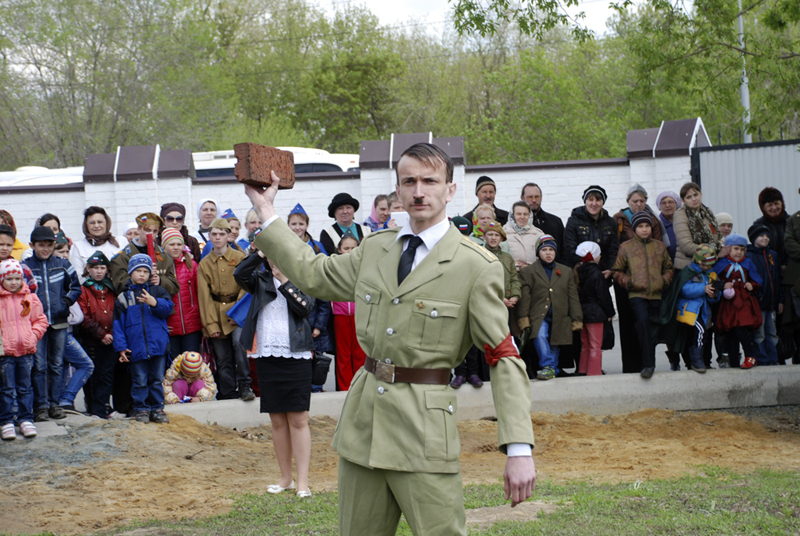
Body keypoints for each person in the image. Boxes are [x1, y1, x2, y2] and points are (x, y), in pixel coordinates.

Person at [246, 142, 536, 535]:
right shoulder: (376, 248)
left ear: (450, 190)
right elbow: (315, 274)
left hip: (424, 435)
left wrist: (518, 448)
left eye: (430, 181)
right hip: (363, 429)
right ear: (397, 190)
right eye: (409, 181)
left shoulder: (475, 266)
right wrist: (265, 210)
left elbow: (503, 356)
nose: (419, 191)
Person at [234, 245, 316, 498]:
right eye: (271, 256)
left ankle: (303, 482)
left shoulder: (303, 278)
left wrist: (284, 280)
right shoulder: (260, 279)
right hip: (266, 354)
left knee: (298, 419)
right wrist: (260, 253)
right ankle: (286, 478)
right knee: (278, 420)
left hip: (297, 356)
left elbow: (305, 307)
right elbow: (239, 273)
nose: (275, 261)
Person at [23, 226, 81, 422]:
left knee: (57, 364)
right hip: (35, 325)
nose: (45, 249)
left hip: (59, 322)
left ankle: (54, 404)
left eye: (49, 245)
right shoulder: (25, 267)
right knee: (39, 366)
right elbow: (21, 294)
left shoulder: (63, 264)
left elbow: (75, 287)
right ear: (32, 245)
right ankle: (40, 406)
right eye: (41, 245)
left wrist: (65, 302)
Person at [611, 211, 674, 378]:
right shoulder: (626, 247)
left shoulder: (659, 246)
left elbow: (669, 268)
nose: (644, 229)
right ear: (634, 228)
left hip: (656, 294)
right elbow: (617, 271)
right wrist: (630, 283)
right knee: (643, 323)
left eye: (647, 226)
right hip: (637, 295)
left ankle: (663, 361)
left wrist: (663, 281)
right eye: (640, 226)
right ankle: (648, 365)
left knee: (653, 330)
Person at [197, 217, 253, 401]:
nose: (218, 237)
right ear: (209, 236)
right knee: (222, 357)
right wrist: (210, 324)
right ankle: (228, 391)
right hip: (216, 313)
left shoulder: (239, 257)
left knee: (239, 345)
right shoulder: (205, 263)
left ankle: (244, 385)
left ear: (229, 236)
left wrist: (238, 314)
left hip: (237, 311)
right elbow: (204, 296)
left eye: (222, 234)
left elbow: (246, 287)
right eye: (214, 234)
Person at [113, 254, 174, 423]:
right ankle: (141, 409)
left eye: (145, 271)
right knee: (139, 380)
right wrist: (121, 347)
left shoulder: (157, 291)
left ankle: (157, 409)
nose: (142, 274)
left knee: (157, 379)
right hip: (136, 346)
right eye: (138, 271)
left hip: (158, 345)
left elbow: (168, 309)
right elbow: (118, 325)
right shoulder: (124, 297)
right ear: (130, 272)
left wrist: (154, 302)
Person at [518, 235, 582, 380]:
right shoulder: (528, 272)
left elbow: (572, 297)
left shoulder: (565, 271)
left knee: (555, 343)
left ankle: (551, 369)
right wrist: (523, 318)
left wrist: (576, 318)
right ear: (538, 252)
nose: (548, 253)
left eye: (551, 250)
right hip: (539, 315)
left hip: (560, 315)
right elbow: (525, 298)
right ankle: (548, 365)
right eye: (544, 250)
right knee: (540, 336)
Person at [0, 259, 48, 440]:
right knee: (6, 388)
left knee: (25, 387)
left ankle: (26, 419)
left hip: (26, 351)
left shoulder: (30, 298)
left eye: (17, 278)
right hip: (5, 353)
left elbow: (40, 320)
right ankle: (6, 421)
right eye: (9, 279)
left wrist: (33, 336)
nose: (13, 282)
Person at [287, 204, 333, 391]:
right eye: (293, 224)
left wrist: (319, 325)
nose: (297, 227)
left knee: (314, 357)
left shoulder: (316, 246)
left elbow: (324, 284)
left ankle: (316, 388)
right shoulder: (284, 245)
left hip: (312, 303)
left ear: (307, 225)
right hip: (292, 301)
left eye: (301, 224)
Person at [654, 245, 721, 372]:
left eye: (710, 265)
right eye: (705, 264)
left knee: (701, 335)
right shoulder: (687, 272)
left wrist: (713, 296)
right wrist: (703, 288)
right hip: (688, 312)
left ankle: (698, 360)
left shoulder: (711, 274)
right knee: (700, 332)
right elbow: (684, 290)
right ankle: (696, 360)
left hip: (703, 312)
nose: (707, 267)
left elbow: (716, 295)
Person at [712, 233, 766, 369]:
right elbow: (712, 278)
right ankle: (734, 362)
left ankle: (750, 356)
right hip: (728, 303)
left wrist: (752, 285)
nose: (739, 252)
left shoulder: (748, 263)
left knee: (740, 326)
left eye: (742, 249)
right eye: (736, 249)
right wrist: (722, 285)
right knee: (731, 331)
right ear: (728, 249)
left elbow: (757, 279)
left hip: (744, 301)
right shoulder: (721, 263)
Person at [77, 251, 118, 419]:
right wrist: (101, 334)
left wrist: (112, 333)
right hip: (92, 340)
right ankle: (95, 408)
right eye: (95, 268)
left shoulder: (111, 289)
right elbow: (84, 317)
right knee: (94, 374)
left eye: (102, 268)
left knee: (107, 374)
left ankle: (104, 406)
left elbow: (118, 313)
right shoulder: (83, 290)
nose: (99, 271)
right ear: (88, 269)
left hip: (112, 339)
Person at [330, 233, 367, 391]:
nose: (350, 252)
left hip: (360, 314)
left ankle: (359, 387)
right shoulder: (334, 266)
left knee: (360, 353)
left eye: (353, 248)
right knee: (343, 354)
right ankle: (345, 388)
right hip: (340, 315)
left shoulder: (365, 266)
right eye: (346, 248)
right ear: (339, 250)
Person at [109, 213, 179, 296]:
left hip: (159, 302)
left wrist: (160, 281)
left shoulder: (165, 256)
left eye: (155, 231)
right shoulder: (122, 257)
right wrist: (143, 277)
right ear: (139, 229)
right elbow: (119, 285)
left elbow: (174, 287)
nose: (151, 234)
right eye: (147, 230)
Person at [161, 228, 203, 365]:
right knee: (174, 366)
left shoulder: (192, 265)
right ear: (164, 246)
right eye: (171, 244)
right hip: (170, 326)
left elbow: (200, 294)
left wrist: (202, 322)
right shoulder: (160, 269)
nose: (176, 247)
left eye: (179, 244)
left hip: (192, 325)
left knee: (192, 364)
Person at [575, 242, 615, 376]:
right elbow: (603, 296)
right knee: (595, 345)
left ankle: (583, 370)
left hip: (582, 312)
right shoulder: (597, 274)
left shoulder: (578, 272)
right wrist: (610, 313)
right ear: (595, 257)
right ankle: (594, 372)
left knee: (585, 344)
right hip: (596, 313)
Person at [747, 224, 782, 365]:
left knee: (772, 333)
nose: (765, 238)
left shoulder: (773, 255)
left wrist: (780, 300)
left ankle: (773, 359)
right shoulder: (749, 256)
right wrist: (757, 295)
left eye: (767, 236)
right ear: (753, 238)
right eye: (761, 235)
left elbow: (779, 279)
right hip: (758, 304)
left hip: (772, 304)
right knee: (759, 334)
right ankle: (761, 359)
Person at [563, 185, 618, 272]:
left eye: (598, 200)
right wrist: (586, 268)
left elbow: (613, 250)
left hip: (604, 272)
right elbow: (570, 249)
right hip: (581, 272)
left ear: (603, 202)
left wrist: (610, 269)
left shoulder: (610, 222)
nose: (594, 204)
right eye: (591, 200)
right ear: (585, 201)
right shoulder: (573, 221)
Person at [672, 182, 727, 270]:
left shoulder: (707, 212)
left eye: (695, 195)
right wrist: (714, 253)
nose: (694, 199)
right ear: (683, 201)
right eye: (689, 197)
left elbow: (716, 236)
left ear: (701, 194)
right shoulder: (680, 215)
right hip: (689, 267)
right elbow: (687, 246)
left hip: (708, 264)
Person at [70, 207, 126, 281]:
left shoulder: (121, 242)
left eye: (100, 222)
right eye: (92, 223)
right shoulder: (79, 246)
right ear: (86, 225)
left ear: (107, 223)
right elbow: (78, 276)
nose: (96, 226)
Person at [520, 183, 565, 261]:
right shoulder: (517, 224)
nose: (534, 200)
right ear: (522, 198)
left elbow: (564, 250)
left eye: (537, 197)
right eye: (530, 197)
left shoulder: (556, 222)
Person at [753, 187, 790, 269]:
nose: (774, 208)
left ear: (782, 203)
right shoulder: (758, 225)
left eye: (776, 203)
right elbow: (758, 250)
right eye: (769, 205)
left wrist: (787, 265)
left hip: (792, 269)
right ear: (763, 207)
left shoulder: (792, 222)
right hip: (768, 269)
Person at [504, 201, 544, 270]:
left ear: (530, 215)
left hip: (533, 274)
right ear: (513, 215)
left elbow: (544, 259)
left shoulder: (538, 234)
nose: (522, 217)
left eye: (525, 214)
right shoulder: (503, 234)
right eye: (519, 214)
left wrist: (528, 267)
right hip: (510, 274)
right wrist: (513, 265)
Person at [0, 225, 36, 291]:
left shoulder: (22, 267)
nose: (5, 248)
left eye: (9, 245)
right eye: (1, 244)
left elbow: (33, 288)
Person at [656, 191, 681, 262]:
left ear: (676, 204)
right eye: (663, 203)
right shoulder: (657, 225)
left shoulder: (683, 222)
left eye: (670, 202)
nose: (667, 205)